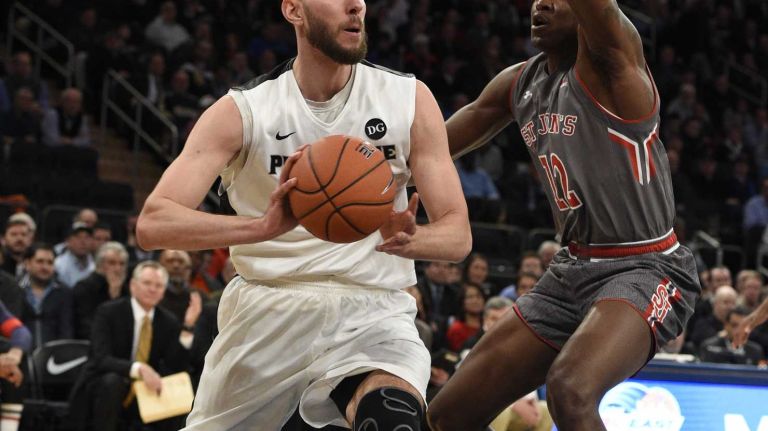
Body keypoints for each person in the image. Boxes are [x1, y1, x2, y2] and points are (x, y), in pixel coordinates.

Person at [136, 1, 470, 430]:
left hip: (373, 309)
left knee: (393, 419)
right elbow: (153, 224)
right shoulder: (244, 110)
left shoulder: (408, 99)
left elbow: (458, 235)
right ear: (294, 10)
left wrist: (410, 240)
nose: (357, 6)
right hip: (269, 306)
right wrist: (261, 228)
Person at [428, 1, 701, 429]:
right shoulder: (520, 83)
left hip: (647, 267)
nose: (544, 4)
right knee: (447, 415)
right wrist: (386, 179)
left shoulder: (614, 63)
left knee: (570, 390)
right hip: (569, 270)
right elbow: (431, 151)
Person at [70, 261, 191, 431]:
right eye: (147, 283)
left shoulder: (168, 321)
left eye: (158, 285)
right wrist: (138, 368)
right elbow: (101, 358)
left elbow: (175, 365)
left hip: (144, 391)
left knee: (179, 387)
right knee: (113, 382)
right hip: (101, 384)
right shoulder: (108, 312)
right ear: (133, 286)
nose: (152, 289)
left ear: (163, 291)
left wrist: (188, 329)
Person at [73, 242, 130, 339]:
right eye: (112, 263)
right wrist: (113, 298)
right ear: (99, 264)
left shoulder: (127, 289)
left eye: (122, 264)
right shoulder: (84, 288)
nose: (118, 268)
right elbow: (85, 326)